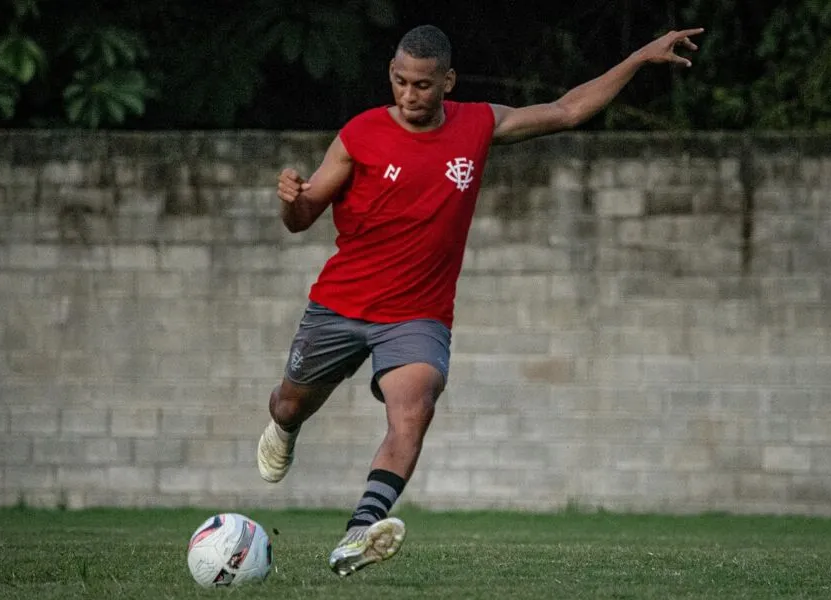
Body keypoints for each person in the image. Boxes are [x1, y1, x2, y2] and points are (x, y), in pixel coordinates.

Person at [257, 23, 704, 576]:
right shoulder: (359, 135)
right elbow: (302, 219)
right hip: (340, 306)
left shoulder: (478, 123)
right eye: (400, 82)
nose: (409, 95)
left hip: (416, 316)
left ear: (448, 81)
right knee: (290, 404)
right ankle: (284, 426)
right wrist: (289, 201)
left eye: (423, 84)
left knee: (414, 407)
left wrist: (638, 56)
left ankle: (358, 533)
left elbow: (567, 111)